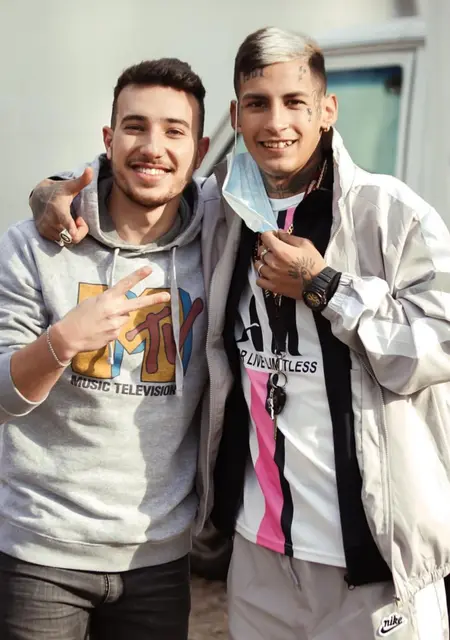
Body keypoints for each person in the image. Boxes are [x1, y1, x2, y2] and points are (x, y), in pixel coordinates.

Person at [30, 27, 450, 640]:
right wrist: (55, 189)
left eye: (294, 101)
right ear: (235, 116)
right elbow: (146, 176)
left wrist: (325, 286)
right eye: (257, 103)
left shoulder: (392, 214)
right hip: (258, 559)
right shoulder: (223, 209)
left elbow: (438, 345)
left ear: (327, 109)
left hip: (374, 562)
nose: (275, 122)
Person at [0, 58, 231, 640]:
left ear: (201, 150)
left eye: (174, 131)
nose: (153, 147)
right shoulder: (35, 246)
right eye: (135, 126)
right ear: (108, 139)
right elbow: (2, 395)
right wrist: (63, 341)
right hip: (39, 553)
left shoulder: (220, 238)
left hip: (159, 557)